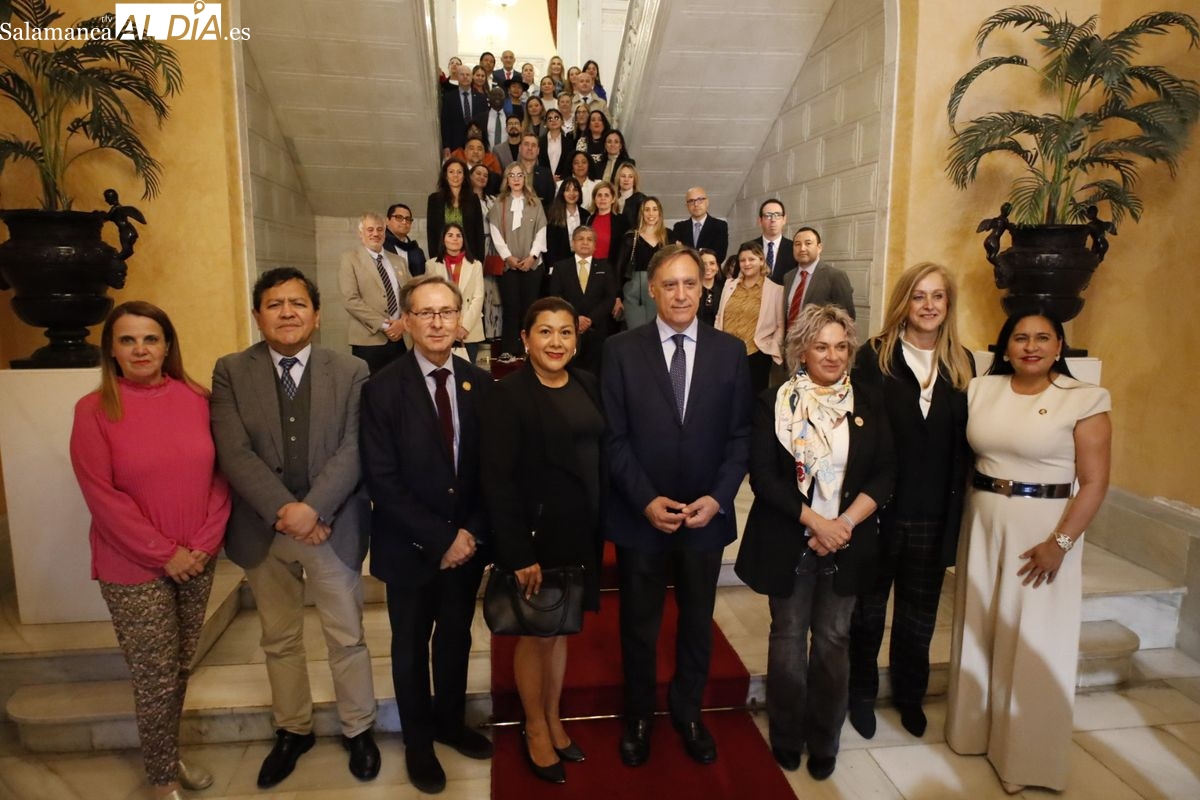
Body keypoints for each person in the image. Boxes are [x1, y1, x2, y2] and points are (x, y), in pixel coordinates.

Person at [212, 268, 380, 789]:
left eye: (298, 303)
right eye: (275, 303)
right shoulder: (231, 371)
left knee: (346, 636)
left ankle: (359, 728)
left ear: (317, 312)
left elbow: (355, 448)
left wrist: (314, 511)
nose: (287, 312)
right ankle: (293, 728)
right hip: (264, 532)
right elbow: (234, 452)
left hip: (332, 528)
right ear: (257, 314)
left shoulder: (351, 369)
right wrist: (286, 512)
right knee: (279, 638)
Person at [946, 310, 1111, 794]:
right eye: (1020, 337)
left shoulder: (1083, 399)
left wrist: (1060, 544)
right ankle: (972, 734)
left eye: (1043, 338)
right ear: (1005, 346)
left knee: (1033, 640)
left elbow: (1096, 482)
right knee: (981, 627)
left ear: (1059, 346)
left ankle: (1025, 759)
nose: (1031, 346)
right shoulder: (981, 390)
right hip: (984, 519)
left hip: (1044, 529)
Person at [70, 302, 230, 800]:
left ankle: (167, 753)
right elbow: (101, 495)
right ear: (111, 350)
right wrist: (165, 554)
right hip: (133, 565)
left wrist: (202, 546)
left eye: (150, 339)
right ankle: (161, 780)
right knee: (155, 674)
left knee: (180, 666)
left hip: (198, 559)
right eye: (128, 340)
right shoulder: (94, 410)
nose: (140, 350)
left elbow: (222, 478)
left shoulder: (198, 399)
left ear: (167, 345)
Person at [603, 244, 753, 768]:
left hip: (705, 517)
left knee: (697, 621)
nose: (682, 293)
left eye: (690, 283)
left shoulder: (730, 351)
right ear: (653, 289)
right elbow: (614, 439)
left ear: (703, 286)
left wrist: (718, 498)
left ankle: (689, 711)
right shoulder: (621, 351)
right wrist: (644, 500)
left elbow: (740, 438)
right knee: (639, 624)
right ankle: (639, 714)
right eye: (670, 284)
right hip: (641, 517)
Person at [735, 303, 895, 781]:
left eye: (841, 346)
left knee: (833, 640)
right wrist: (816, 524)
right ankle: (786, 735)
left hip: (848, 539)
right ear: (801, 350)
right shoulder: (774, 402)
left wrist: (842, 523)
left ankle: (825, 738)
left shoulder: (868, 402)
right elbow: (764, 477)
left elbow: (886, 473)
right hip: (791, 539)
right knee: (787, 640)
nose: (832, 355)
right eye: (821, 346)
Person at [360, 275, 494, 795]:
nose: (437, 323)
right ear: (408, 322)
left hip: (466, 547)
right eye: (425, 313)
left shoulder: (479, 384)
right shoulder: (382, 389)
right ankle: (418, 741)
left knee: (456, 639)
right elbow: (382, 479)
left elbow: (491, 471)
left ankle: (450, 722)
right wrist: (441, 540)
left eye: (446, 312)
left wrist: (471, 534)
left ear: (460, 320)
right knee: (411, 646)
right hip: (410, 546)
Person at [846, 263, 973, 740]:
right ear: (904, 301)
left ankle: (909, 695)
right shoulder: (872, 357)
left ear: (948, 305)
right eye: (919, 296)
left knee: (920, 616)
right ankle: (860, 695)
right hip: (878, 512)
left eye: (938, 296)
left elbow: (962, 447)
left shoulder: (962, 362)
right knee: (868, 614)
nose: (928, 305)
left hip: (933, 512)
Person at [482, 297, 606, 784]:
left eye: (566, 333)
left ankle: (553, 717)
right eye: (546, 332)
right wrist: (517, 551)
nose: (556, 342)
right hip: (537, 536)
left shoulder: (587, 384)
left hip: (582, 532)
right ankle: (533, 725)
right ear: (526, 339)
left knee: (560, 631)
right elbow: (497, 479)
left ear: (577, 340)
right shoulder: (508, 395)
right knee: (537, 635)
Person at [488, 162, 548, 357]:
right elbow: (495, 233)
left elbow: (541, 230)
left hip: (532, 265)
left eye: (519, 175)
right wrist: (508, 257)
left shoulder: (535, 202)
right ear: (507, 179)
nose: (515, 179)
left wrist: (532, 256)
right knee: (511, 307)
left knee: (530, 308)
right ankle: (508, 350)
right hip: (509, 265)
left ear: (525, 178)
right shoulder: (499, 203)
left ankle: (529, 349)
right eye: (511, 175)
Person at [339, 212, 410, 374]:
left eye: (380, 229)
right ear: (361, 233)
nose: (375, 234)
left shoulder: (399, 261)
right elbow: (350, 300)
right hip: (368, 342)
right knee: (371, 391)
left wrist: (402, 323)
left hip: (401, 339)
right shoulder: (350, 259)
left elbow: (411, 296)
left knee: (399, 389)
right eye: (370, 229)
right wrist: (385, 326)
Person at [714, 242, 784, 394]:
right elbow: (719, 315)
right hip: (727, 353)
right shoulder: (729, 285)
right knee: (726, 396)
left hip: (756, 355)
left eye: (751, 259)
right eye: (742, 260)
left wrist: (772, 346)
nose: (746, 264)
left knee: (753, 402)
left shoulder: (776, 290)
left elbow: (780, 325)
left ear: (761, 260)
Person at [546, 225, 614, 373]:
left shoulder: (605, 267)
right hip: (568, 330)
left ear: (595, 245)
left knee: (596, 374)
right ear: (573, 243)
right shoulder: (561, 267)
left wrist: (590, 319)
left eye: (589, 239)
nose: (585, 242)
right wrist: (575, 318)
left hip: (597, 331)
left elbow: (609, 298)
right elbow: (556, 296)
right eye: (580, 239)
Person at [426, 222, 485, 363]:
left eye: (459, 236)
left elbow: (478, 297)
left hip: (469, 330)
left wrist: (464, 327)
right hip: (441, 327)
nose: (455, 239)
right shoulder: (432, 265)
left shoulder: (475, 264)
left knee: (467, 376)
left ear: (463, 240)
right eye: (450, 235)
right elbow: (430, 299)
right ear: (443, 239)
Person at [780, 227, 856, 337]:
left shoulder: (835, 276)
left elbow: (847, 319)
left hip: (819, 346)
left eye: (808, 243)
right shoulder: (788, 277)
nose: (802, 248)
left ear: (819, 247)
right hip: (789, 347)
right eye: (797, 244)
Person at [615, 195, 671, 329]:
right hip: (635, 291)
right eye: (647, 210)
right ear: (641, 213)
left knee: (660, 332)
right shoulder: (631, 237)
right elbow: (619, 268)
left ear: (660, 212)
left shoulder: (669, 236)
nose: (651, 214)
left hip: (662, 290)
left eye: (654, 209)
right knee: (636, 332)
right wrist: (617, 298)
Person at [427, 157, 487, 270]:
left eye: (459, 172)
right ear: (445, 175)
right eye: (451, 172)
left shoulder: (473, 199)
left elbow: (478, 231)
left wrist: (479, 260)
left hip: (468, 256)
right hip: (442, 257)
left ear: (464, 176)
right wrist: (435, 258)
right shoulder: (434, 199)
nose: (455, 175)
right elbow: (431, 232)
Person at [741, 199, 794, 284]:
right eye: (768, 215)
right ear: (760, 220)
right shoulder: (748, 248)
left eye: (777, 215)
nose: (773, 220)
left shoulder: (793, 248)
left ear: (784, 219)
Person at [440, 64, 487, 158]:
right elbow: (445, 123)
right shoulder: (449, 97)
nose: (465, 77)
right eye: (462, 74)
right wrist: (446, 146)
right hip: (455, 145)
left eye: (468, 74)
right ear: (457, 77)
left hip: (476, 144)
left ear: (472, 77)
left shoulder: (481, 98)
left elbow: (484, 123)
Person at [672, 187, 729, 263]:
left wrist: (686, 250)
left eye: (700, 200)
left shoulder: (720, 226)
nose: (696, 204)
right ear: (687, 206)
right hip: (687, 272)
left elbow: (719, 256)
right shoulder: (679, 227)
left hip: (710, 273)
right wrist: (703, 251)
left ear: (707, 202)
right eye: (691, 201)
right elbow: (676, 256)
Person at [545, 176, 591, 267]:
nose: (572, 193)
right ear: (562, 193)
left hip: (581, 262)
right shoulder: (553, 214)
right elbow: (549, 245)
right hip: (558, 263)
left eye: (575, 190)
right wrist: (551, 267)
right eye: (567, 190)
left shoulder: (586, 215)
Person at [384, 203, 427, 277]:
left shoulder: (417, 251)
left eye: (408, 219)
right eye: (399, 217)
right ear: (387, 221)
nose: (404, 222)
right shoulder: (380, 246)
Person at [539, 108, 574, 181]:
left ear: (562, 121)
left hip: (563, 181)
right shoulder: (540, 142)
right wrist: (548, 177)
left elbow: (569, 164)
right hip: (544, 180)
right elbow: (539, 164)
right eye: (550, 119)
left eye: (556, 117)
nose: (553, 120)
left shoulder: (569, 143)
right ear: (546, 123)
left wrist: (561, 178)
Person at [697, 248, 724, 327]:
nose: (708, 267)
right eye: (704, 264)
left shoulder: (724, 291)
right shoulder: (690, 291)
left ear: (717, 267)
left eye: (712, 263)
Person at [615, 163, 645, 229]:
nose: (626, 179)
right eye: (623, 176)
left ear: (634, 180)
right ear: (618, 178)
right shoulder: (612, 198)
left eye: (630, 176)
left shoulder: (640, 199)